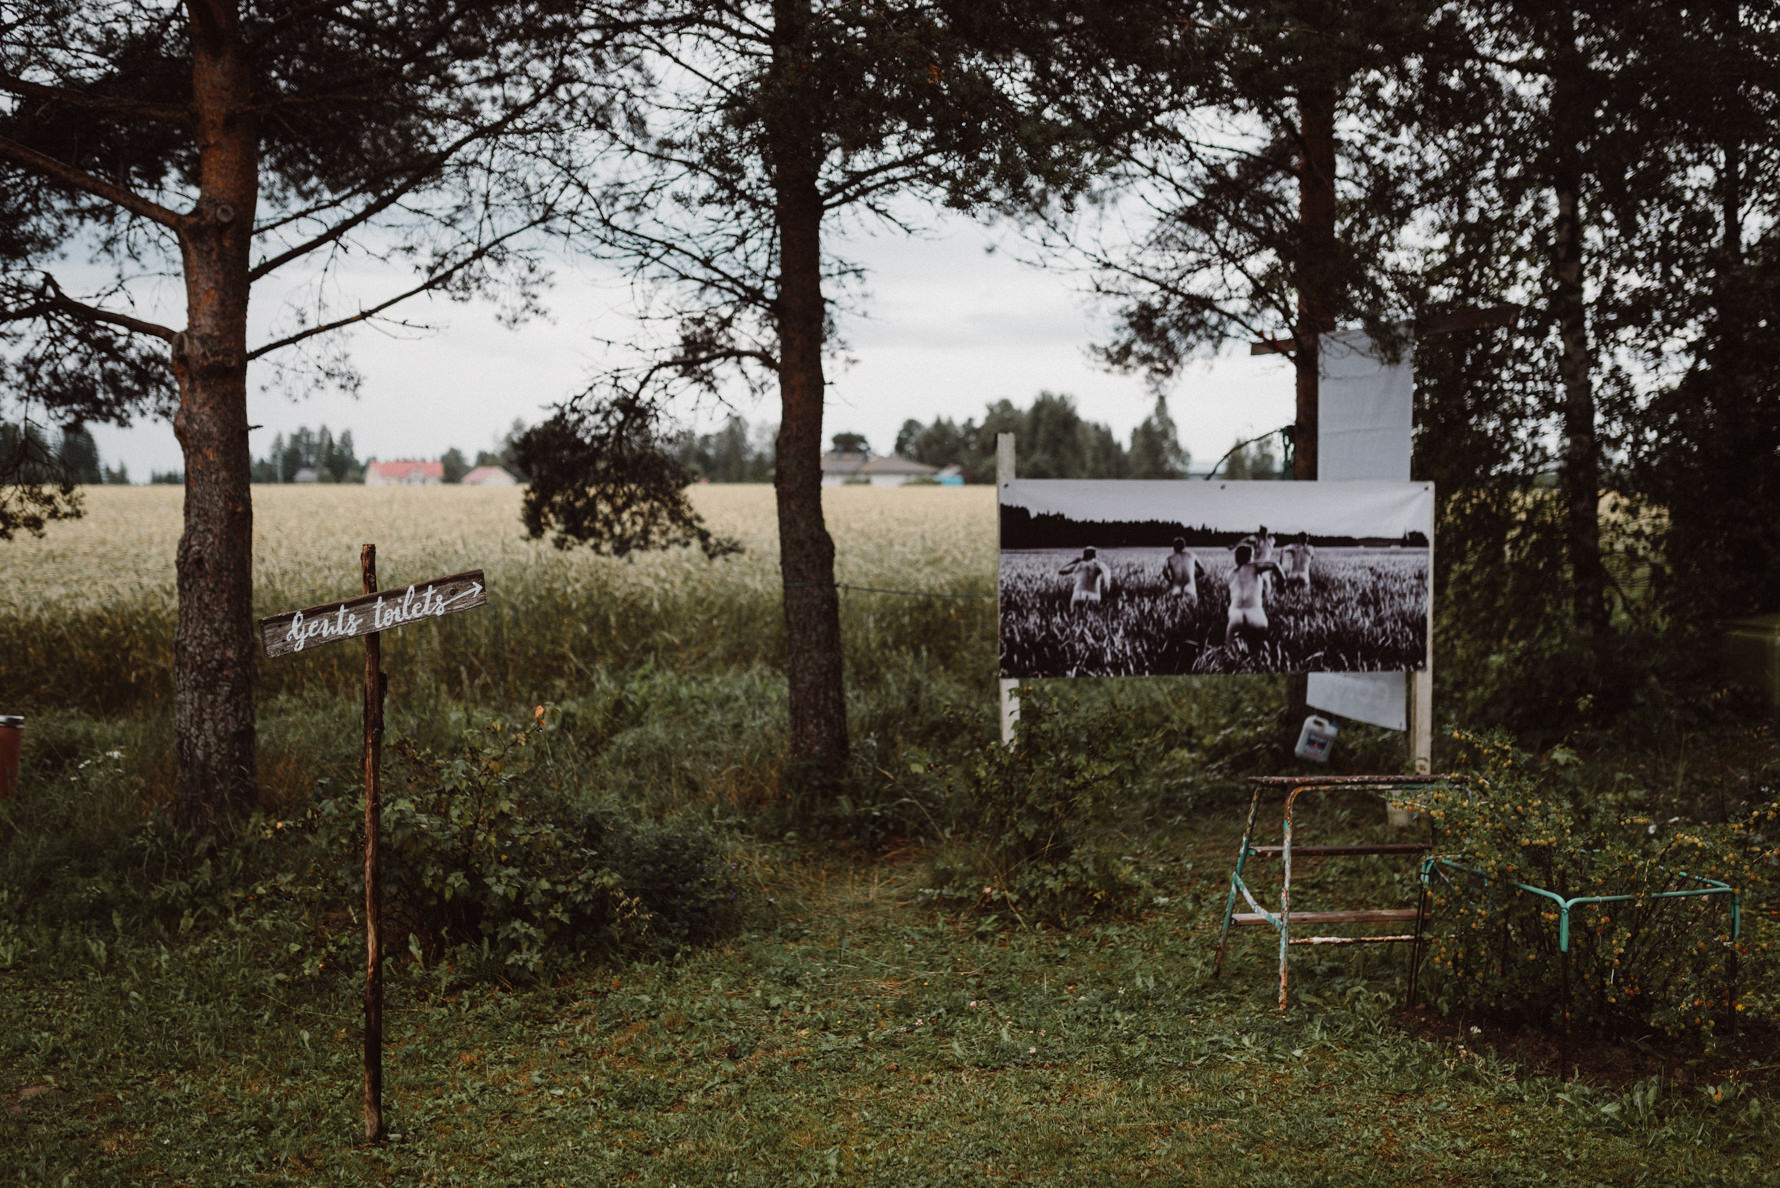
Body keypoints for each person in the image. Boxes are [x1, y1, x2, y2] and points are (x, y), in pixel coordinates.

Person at [1223, 541, 1282, 649]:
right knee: (1259, 648)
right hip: (1255, 613)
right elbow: (1274, 565)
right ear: (1250, 556)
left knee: (1229, 649)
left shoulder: (1230, 574)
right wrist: (1281, 583)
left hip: (1235, 614)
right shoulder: (1254, 567)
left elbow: (1227, 598)